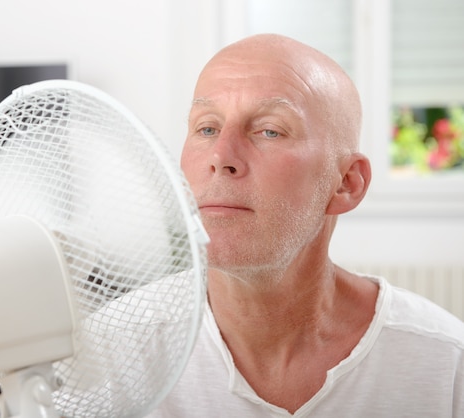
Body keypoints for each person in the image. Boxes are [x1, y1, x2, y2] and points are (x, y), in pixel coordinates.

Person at [146, 34, 464, 417]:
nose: (220, 156)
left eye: (269, 130)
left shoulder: (446, 366)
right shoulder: (111, 356)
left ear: (346, 183)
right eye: (207, 128)